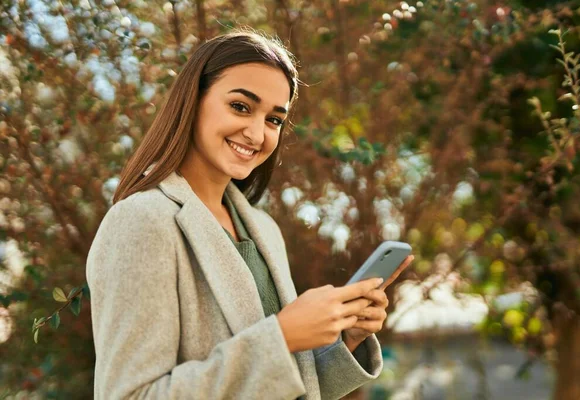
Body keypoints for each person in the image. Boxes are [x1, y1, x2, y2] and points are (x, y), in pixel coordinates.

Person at [86, 29, 413, 399]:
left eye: (274, 120)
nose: (257, 134)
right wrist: (283, 335)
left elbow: (281, 384)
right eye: (241, 106)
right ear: (193, 101)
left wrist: (345, 339)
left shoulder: (263, 230)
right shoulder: (142, 222)